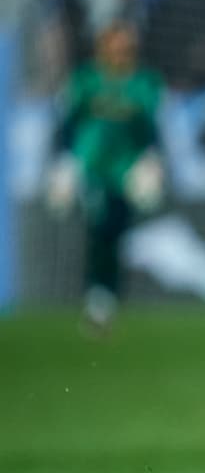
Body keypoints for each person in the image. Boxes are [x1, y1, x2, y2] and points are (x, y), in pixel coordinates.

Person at [53, 21, 164, 334]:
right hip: (93, 169)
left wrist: (151, 161)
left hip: (126, 171)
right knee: (100, 229)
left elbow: (151, 129)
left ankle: (106, 297)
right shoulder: (85, 80)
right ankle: (98, 296)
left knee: (116, 231)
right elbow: (67, 124)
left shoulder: (144, 82)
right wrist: (64, 163)